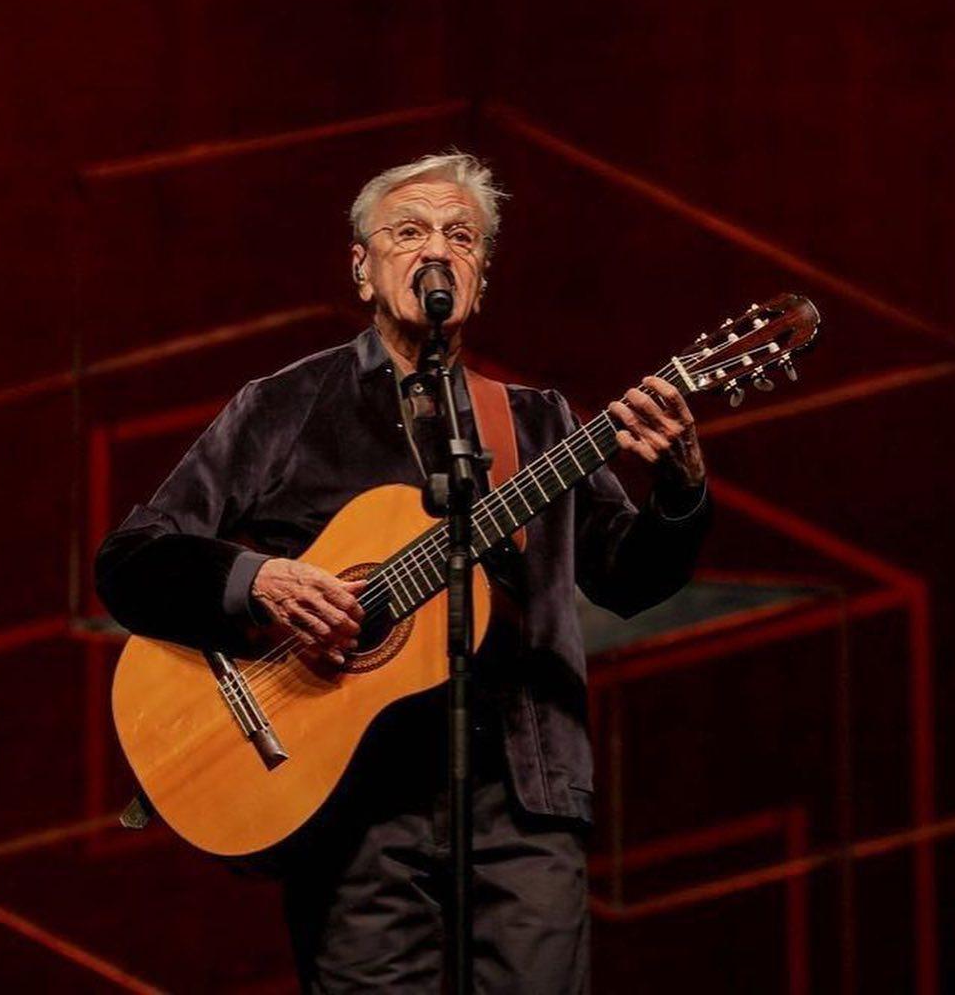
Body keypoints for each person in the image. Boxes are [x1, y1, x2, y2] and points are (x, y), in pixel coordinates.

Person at [95, 151, 711, 993]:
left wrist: (679, 486)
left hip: (522, 796)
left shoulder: (536, 423)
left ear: (481, 279)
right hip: (349, 807)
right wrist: (259, 582)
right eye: (409, 230)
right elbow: (132, 562)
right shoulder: (283, 407)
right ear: (362, 266)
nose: (435, 249)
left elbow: (629, 580)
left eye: (461, 236)